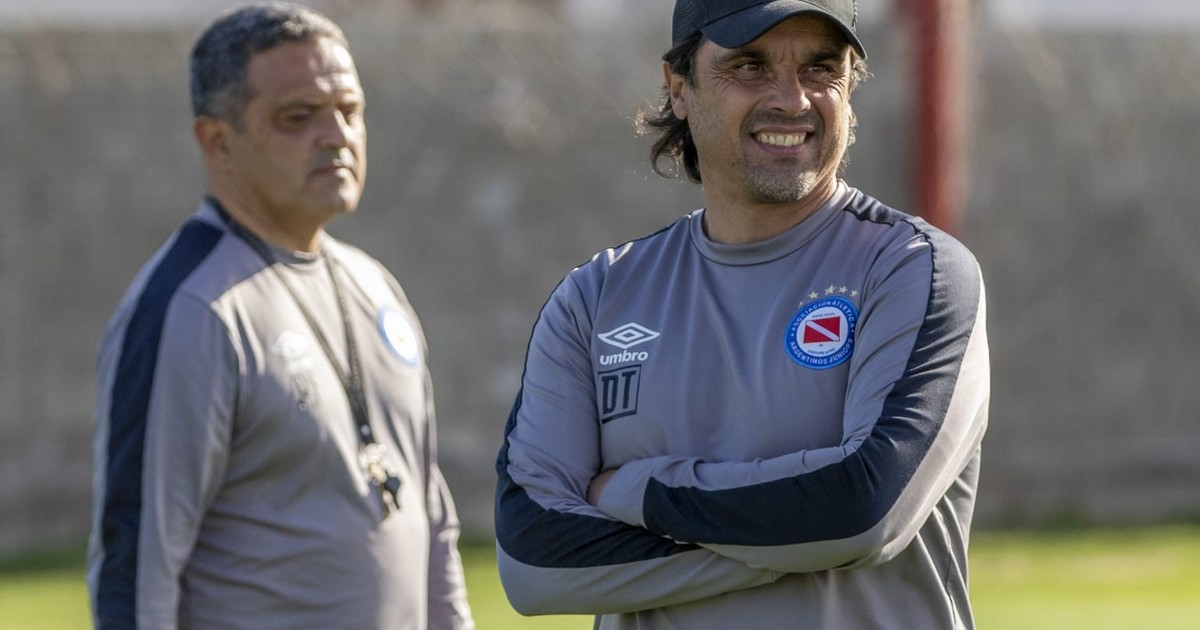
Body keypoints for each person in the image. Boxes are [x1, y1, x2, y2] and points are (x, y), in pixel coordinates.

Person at [495, 0, 989, 628]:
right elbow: (534, 560)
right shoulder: (595, 299)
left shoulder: (918, 272)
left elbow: (865, 511)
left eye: (821, 68)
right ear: (679, 88)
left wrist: (633, 490)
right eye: (750, 66)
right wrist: (800, 540)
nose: (792, 99)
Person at [85, 4, 474, 628]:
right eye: (299, 117)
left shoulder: (375, 286)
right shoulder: (193, 309)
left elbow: (431, 520)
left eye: (350, 110)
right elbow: (136, 569)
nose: (336, 135)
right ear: (218, 141)